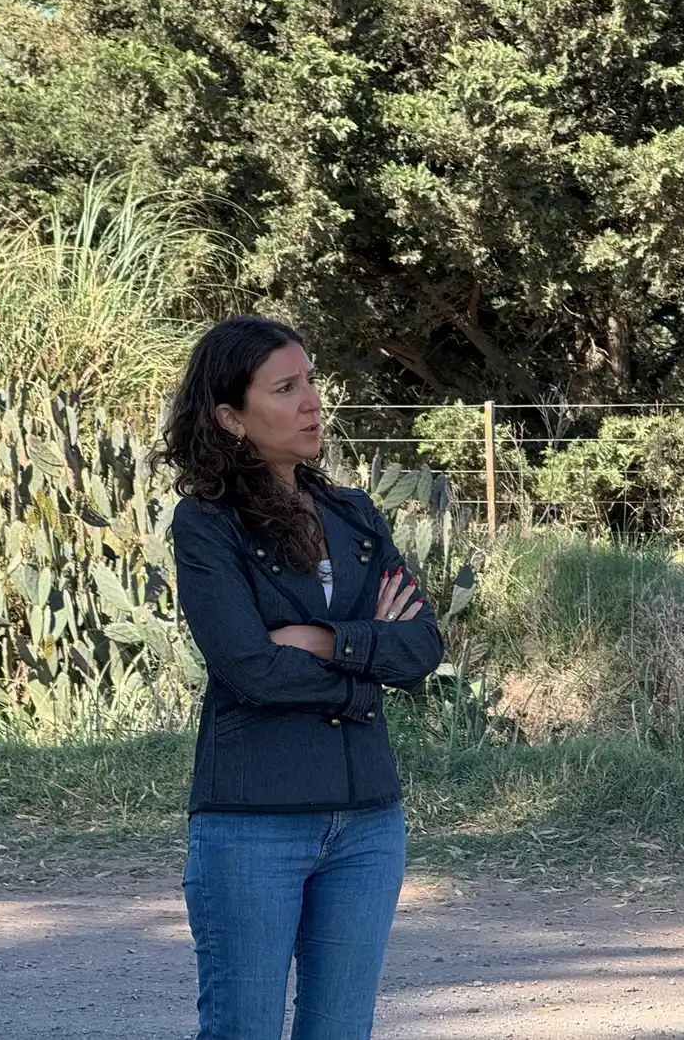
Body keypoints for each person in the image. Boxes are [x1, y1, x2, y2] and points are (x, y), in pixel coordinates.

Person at [159, 316, 444, 1040]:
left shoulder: (356, 515)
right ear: (231, 416)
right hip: (252, 823)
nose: (312, 399)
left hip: (368, 824)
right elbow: (249, 667)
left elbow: (420, 645)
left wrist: (322, 639)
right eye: (285, 388)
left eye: (311, 380)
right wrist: (365, 674)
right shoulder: (205, 525)